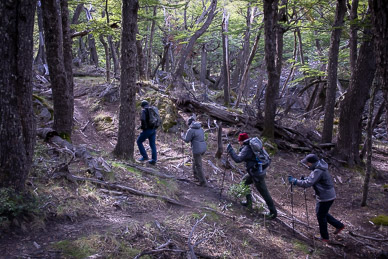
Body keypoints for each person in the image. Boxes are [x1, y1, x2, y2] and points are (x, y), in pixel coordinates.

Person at [288, 154, 345, 242]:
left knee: (320, 215)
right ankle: (339, 225)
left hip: (326, 197)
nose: (307, 165)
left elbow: (308, 183)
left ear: (311, 163)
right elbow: (313, 179)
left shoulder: (318, 170)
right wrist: (304, 179)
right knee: (322, 213)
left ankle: (325, 237)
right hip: (326, 195)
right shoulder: (318, 167)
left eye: (307, 163)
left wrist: (295, 181)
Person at [227, 133, 277, 219]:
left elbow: (238, 159)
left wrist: (230, 150)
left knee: (264, 193)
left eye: (239, 141)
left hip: (257, 174)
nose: (239, 143)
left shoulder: (247, 148)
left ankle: (273, 213)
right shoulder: (252, 144)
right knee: (244, 182)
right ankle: (248, 203)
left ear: (242, 141)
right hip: (256, 171)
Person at [181, 117, 208, 186]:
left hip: (197, 149)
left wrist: (182, 135)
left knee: (198, 165)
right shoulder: (200, 128)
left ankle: (203, 182)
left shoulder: (191, 130)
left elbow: (187, 140)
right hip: (203, 148)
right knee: (195, 160)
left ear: (189, 123)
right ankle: (196, 175)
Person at [137, 100, 157, 165]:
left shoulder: (144, 110)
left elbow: (143, 119)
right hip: (153, 129)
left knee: (139, 141)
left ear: (142, 106)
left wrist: (144, 127)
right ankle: (154, 160)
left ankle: (144, 156)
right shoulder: (152, 109)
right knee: (152, 145)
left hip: (147, 130)